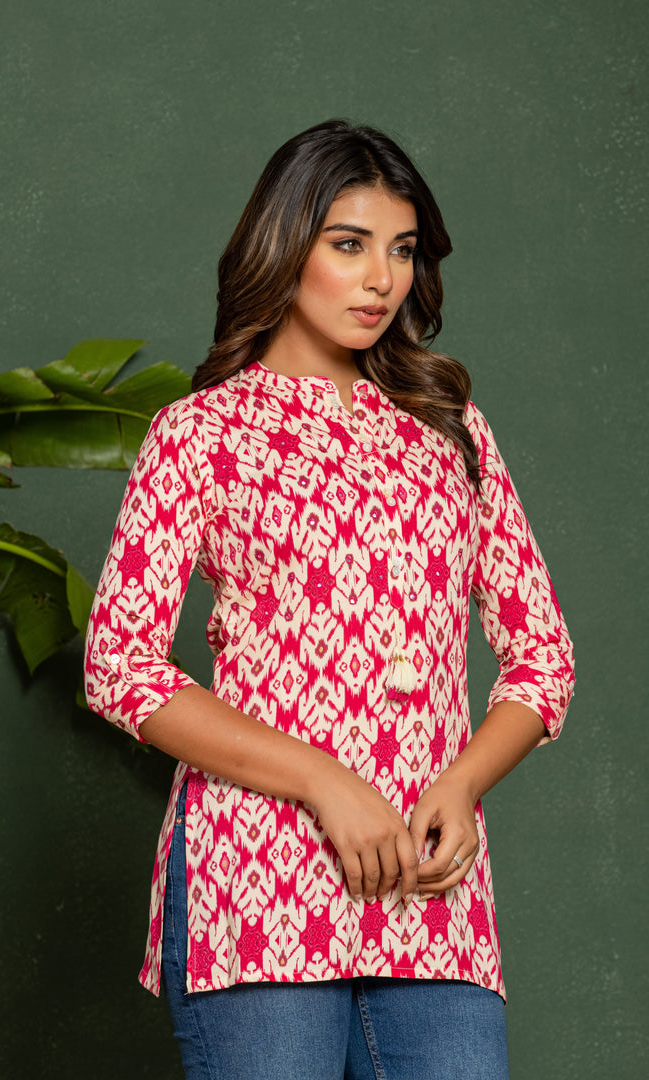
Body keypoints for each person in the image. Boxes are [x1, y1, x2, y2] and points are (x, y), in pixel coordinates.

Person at [84, 119, 575, 1080]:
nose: (381, 279)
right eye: (349, 245)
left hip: (433, 895)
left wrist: (462, 784)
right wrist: (325, 781)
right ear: (284, 247)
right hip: (258, 882)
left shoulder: (449, 430)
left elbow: (542, 658)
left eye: (402, 250)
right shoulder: (201, 434)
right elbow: (121, 669)